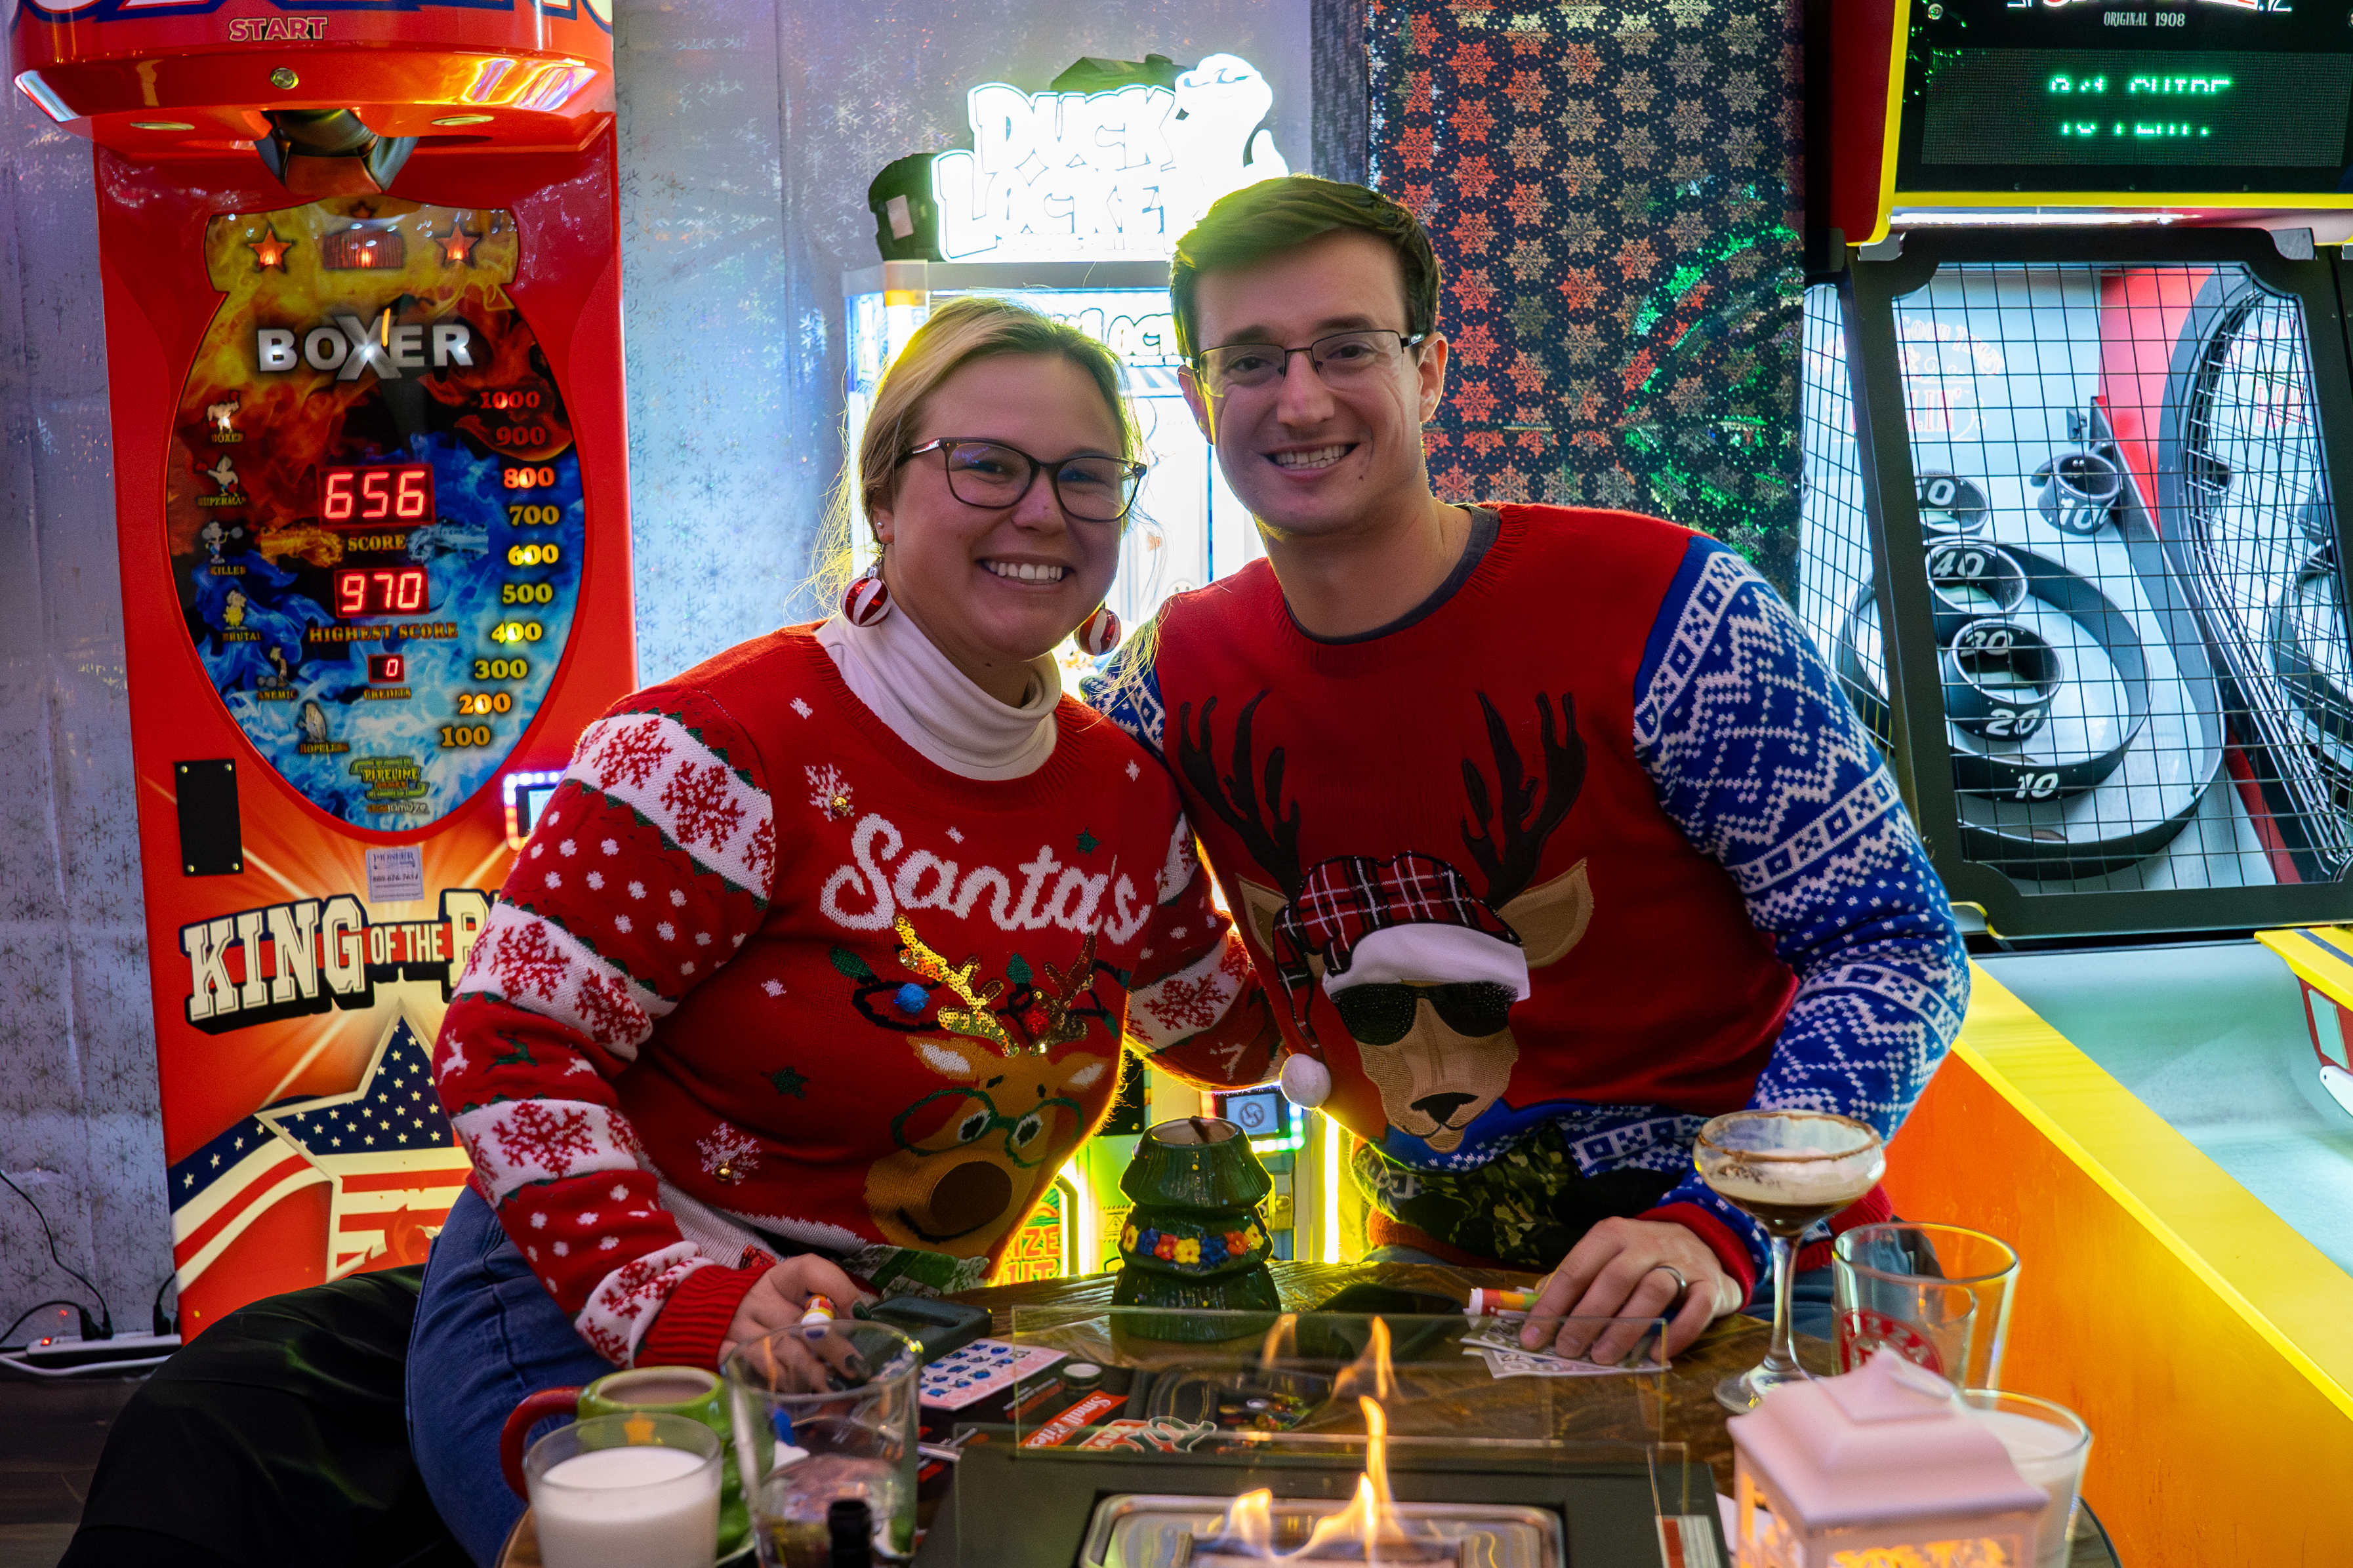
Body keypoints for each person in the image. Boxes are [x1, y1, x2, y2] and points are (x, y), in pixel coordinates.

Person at [412, 296, 1277, 1563]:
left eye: (1086, 475)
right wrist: (690, 1304)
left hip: (884, 1350)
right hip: (602, 1314)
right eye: (986, 465)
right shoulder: (715, 747)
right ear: (883, 496)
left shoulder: (1124, 790)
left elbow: (1219, 1031)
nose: (1043, 510)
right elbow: (508, 1043)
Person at [1084, 176, 1969, 1366]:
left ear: (1429, 371)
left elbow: (1894, 946)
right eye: (1250, 360)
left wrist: (1721, 1219)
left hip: (1772, 1279)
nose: (1299, 399)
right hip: (1443, 1289)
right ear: (1200, 398)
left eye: (1347, 347)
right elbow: (1033, 837)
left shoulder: (1677, 613)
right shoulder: (1168, 678)